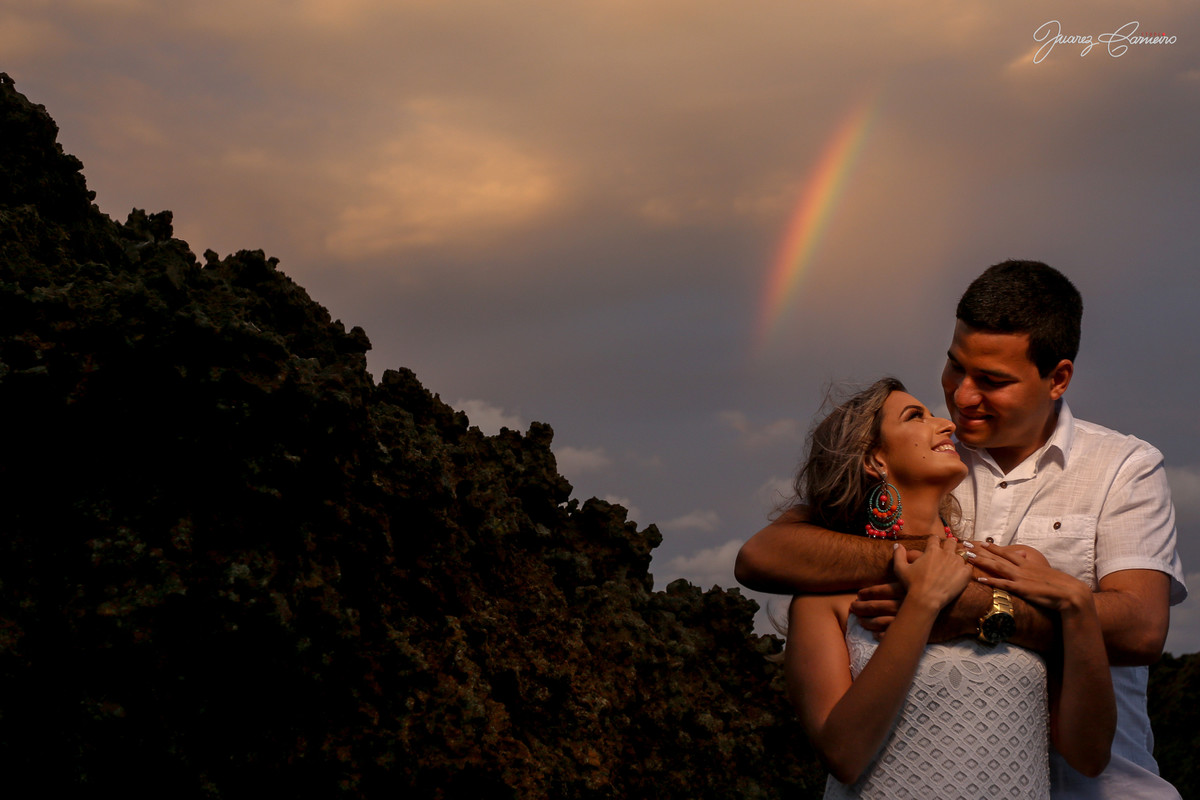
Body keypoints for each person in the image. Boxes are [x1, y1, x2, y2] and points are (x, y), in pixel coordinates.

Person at [737, 260, 1187, 798]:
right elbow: (766, 554)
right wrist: (927, 568)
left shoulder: (1124, 466)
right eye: (955, 367)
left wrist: (981, 607)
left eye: (993, 382)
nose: (960, 399)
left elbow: (1140, 629)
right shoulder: (933, 458)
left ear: (1057, 378)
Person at [782, 378, 1114, 798]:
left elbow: (1089, 755)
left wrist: (1078, 606)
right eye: (915, 416)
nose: (946, 425)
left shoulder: (1015, 567)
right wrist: (923, 605)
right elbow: (843, 755)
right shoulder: (824, 593)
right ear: (875, 459)